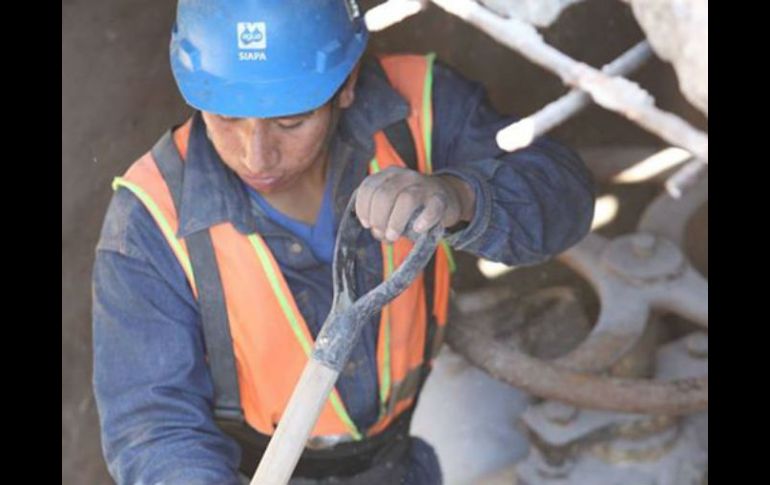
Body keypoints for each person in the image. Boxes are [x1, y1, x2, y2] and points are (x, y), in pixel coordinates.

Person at [92, 0, 595, 483]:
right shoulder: (149, 220)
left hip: (399, 464)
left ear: (348, 84)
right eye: (225, 118)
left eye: (290, 121)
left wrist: (460, 196)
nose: (257, 157)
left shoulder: (419, 107)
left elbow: (565, 196)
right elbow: (152, 427)